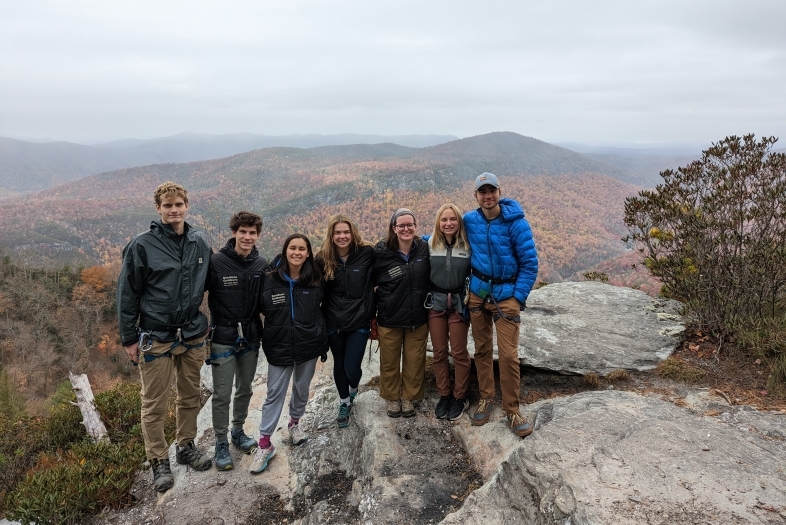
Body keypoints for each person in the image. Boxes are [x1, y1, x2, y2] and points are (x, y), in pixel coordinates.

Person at [117, 181, 212, 493]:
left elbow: (212, 282)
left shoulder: (199, 241)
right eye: (168, 205)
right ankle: (159, 460)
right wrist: (129, 338)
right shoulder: (142, 245)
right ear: (158, 208)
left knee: (190, 395)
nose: (174, 210)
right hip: (156, 335)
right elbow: (127, 294)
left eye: (179, 204)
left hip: (192, 332)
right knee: (154, 403)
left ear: (187, 205)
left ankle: (185, 446)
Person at [464, 172, 539, 438]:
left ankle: (512, 409)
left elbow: (530, 264)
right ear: (476, 196)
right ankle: (486, 398)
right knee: (482, 349)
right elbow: (443, 235)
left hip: (506, 295)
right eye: (482, 192)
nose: (488, 196)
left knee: (508, 355)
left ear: (499, 191)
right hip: (478, 294)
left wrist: (518, 297)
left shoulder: (516, 223)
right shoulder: (469, 220)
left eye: (491, 191)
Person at [250, 234, 328, 474]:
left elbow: (322, 308)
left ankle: (294, 424)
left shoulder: (315, 279)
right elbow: (258, 309)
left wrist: (321, 339)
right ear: (285, 251)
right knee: (274, 392)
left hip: (308, 344)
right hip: (279, 345)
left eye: (302, 249)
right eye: (292, 248)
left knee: (302, 388)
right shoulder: (269, 280)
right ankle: (264, 442)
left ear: (308, 253)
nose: (297, 252)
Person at [206, 211, 267, 470]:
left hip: (251, 336)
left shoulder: (261, 265)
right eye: (243, 231)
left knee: (245, 388)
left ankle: (237, 431)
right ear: (234, 232)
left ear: (257, 235)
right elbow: (195, 293)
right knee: (221, 393)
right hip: (223, 335)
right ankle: (220, 441)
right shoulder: (216, 262)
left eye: (252, 232)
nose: (247, 237)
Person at [316, 215, 375, 428]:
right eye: (338, 232)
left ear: (353, 233)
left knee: (352, 368)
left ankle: (353, 390)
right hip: (332, 322)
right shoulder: (323, 259)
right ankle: (344, 402)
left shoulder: (367, 253)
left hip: (359, 321)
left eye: (346, 232)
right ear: (331, 235)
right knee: (338, 365)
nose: (342, 236)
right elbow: (310, 285)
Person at [373, 208, 430, 418]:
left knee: (415, 360)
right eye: (401, 225)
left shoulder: (424, 248)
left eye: (410, 225)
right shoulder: (380, 252)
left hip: (417, 316)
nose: (406, 229)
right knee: (389, 361)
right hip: (390, 317)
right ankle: (392, 397)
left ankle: (409, 397)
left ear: (415, 227)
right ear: (394, 228)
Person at [424, 204, 472, 421]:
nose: (449, 223)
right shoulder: (429, 244)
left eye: (453, 219)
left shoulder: (469, 245)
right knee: (440, 352)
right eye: (444, 220)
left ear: (459, 222)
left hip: (460, 304)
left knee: (460, 352)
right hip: (436, 303)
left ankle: (460, 396)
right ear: (438, 222)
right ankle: (444, 394)